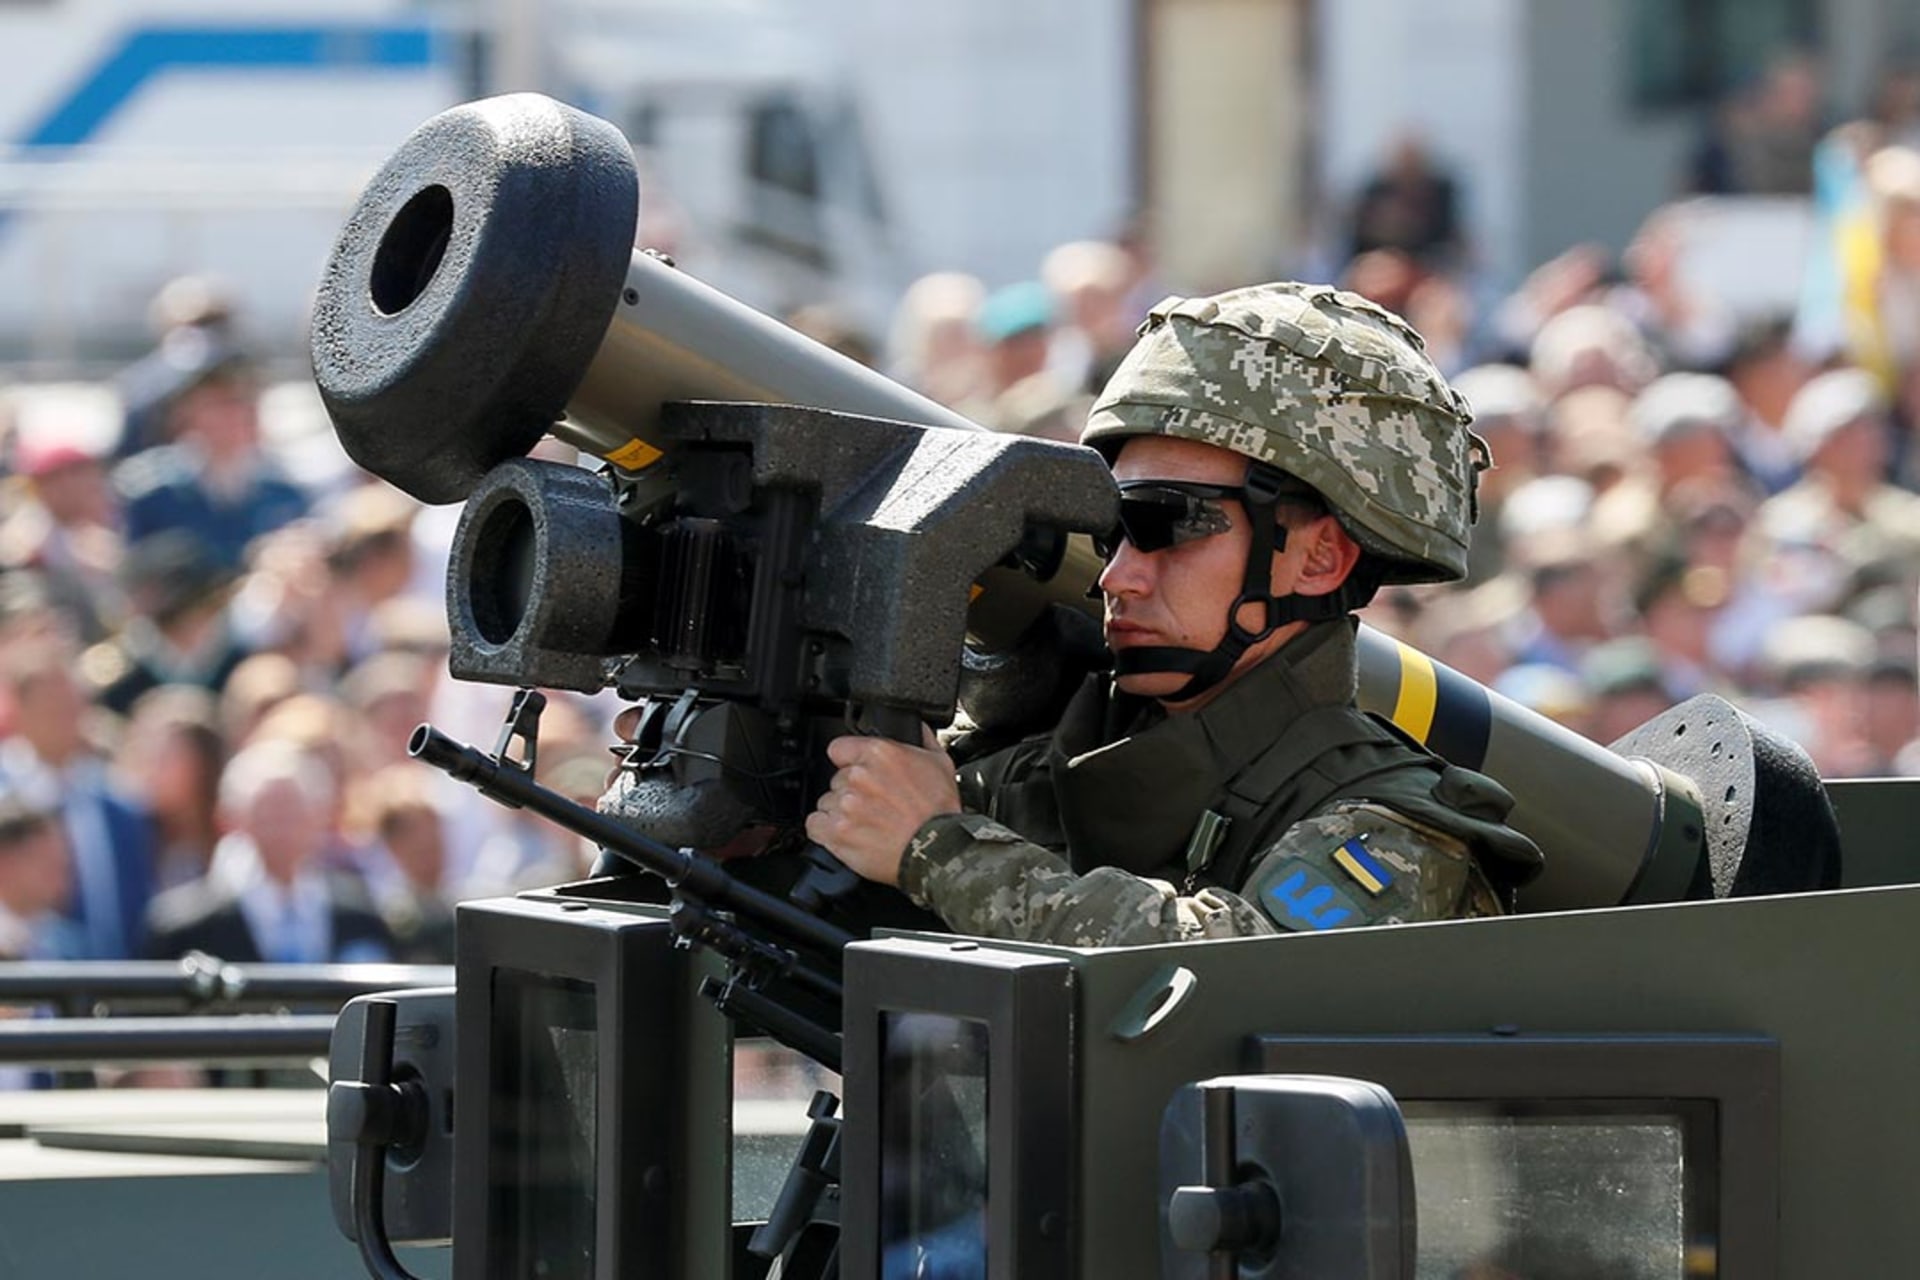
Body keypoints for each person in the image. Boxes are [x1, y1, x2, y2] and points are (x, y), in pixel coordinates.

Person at [805, 283, 1543, 946]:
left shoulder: (1395, 831)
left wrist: (941, 849)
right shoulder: (1054, 757)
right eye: (1114, 532)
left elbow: (1225, 983)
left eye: (1171, 527)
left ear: (1319, 558)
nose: (1118, 576)